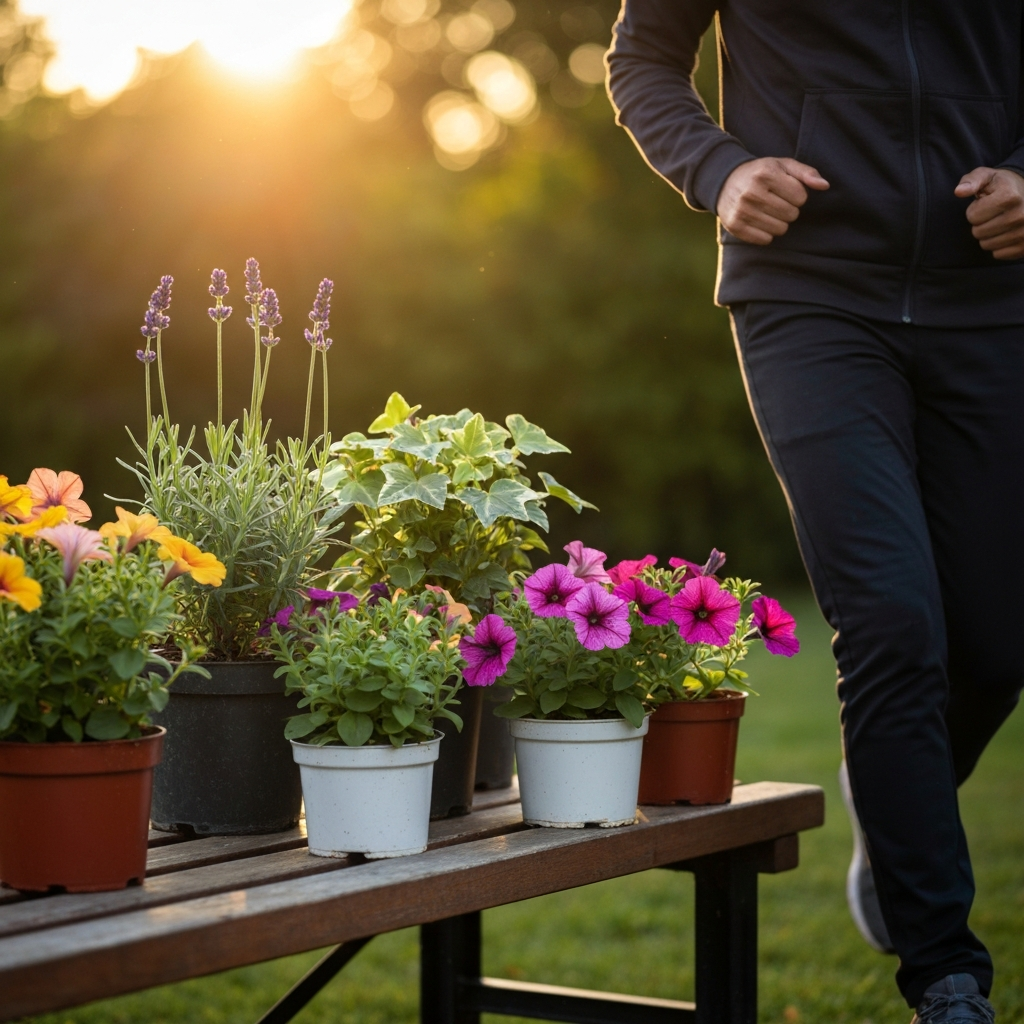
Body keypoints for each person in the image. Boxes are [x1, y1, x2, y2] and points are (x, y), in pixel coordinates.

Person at [606, 3, 1024, 1022]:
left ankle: (889, 803)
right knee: (888, 619)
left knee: (997, 642)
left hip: (993, 296)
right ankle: (945, 976)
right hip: (810, 291)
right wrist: (719, 168)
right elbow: (642, 58)